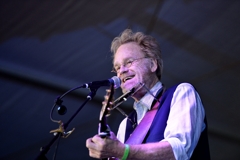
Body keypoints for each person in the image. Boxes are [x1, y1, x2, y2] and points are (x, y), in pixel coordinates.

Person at [86, 29, 210, 160]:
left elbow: (178, 152)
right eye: (117, 67)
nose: (121, 71)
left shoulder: (181, 93)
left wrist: (122, 151)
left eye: (129, 62)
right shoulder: (125, 125)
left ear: (152, 64)